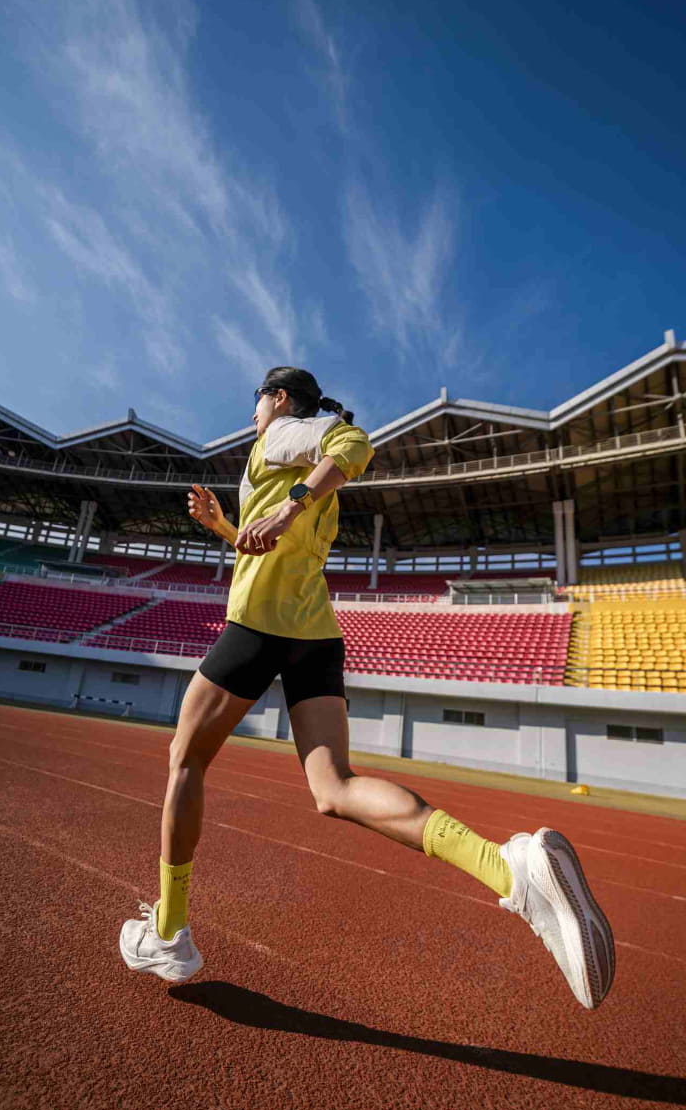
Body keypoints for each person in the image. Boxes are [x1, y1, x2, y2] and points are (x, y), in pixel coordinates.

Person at [119, 367, 615, 1010]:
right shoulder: (284, 457)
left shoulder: (283, 434)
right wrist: (224, 526)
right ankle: (509, 869)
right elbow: (263, 548)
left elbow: (354, 444)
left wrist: (291, 503)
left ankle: (169, 932)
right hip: (314, 633)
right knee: (335, 788)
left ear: (278, 398)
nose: (252, 413)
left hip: (259, 626)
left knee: (185, 760)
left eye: (257, 401)